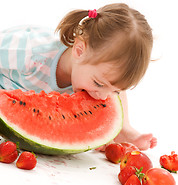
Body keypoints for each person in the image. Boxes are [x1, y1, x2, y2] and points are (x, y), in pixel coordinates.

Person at [0, 3, 157, 151]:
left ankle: (124, 130)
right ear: (79, 51)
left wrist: (104, 129)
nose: (102, 97)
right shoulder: (29, 51)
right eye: (98, 84)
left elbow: (110, 88)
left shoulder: (97, 78)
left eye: (115, 91)